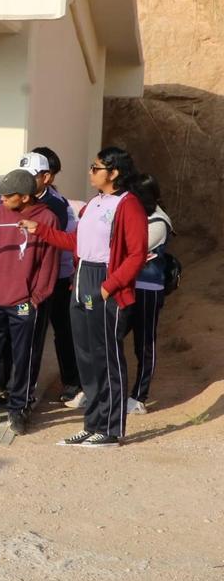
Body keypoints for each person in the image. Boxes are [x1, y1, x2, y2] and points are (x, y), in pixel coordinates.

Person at [20, 146, 147, 448]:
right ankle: (92, 424)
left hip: (106, 282)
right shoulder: (94, 203)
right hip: (82, 279)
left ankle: (111, 429)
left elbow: (137, 254)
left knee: (107, 359)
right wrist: (41, 231)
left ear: (114, 173)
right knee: (87, 359)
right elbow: (76, 241)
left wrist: (109, 286)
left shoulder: (128, 205)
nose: (91, 172)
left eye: (96, 167)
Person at [0, 169, 59, 435]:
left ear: (24, 196)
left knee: (24, 357)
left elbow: (48, 264)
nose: (2, 197)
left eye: (8, 194)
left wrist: (35, 298)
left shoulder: (48, 218)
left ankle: (18, 408)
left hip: (24, 301)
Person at [23, 147, 81, 404]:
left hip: (56, 277)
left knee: (61, 330)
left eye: (31, 175)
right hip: (28, 276)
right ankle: (21, 386)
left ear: (47, 177)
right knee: (28, 333)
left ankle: (72, 383)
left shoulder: (55, 205)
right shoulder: (18, 197)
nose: (24, 180)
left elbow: (51, 243)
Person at [127, 173, 172, 415]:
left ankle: (139, 396)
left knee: (143, 343)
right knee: (112, 337)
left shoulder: (158, 222)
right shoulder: (139, 216)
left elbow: (132, 249)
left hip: (147, 288)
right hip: (127, 285)